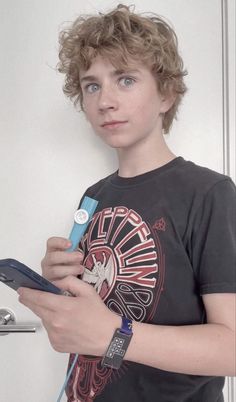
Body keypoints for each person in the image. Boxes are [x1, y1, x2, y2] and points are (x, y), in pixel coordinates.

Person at [18, 4, 236, 402]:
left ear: (166, 94)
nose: (105, 101)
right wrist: (60, 285)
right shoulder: (95, 195)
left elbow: (232, 348)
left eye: (126, 79)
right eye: (92, 85)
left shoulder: (209, 193)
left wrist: (114, 337)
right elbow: (92, 319)